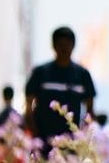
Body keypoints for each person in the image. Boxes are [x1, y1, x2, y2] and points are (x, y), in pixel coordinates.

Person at [24, 26, 97, 155]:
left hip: (71, 145)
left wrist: (83, 138)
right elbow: (28, 108)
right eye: (60, 44)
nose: (64, 48)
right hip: (43, 144)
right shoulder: (40, 73)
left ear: (73, 46)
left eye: (68, 44)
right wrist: (35, 135)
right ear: (53, 46)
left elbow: (90, 112)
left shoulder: (83, 75)